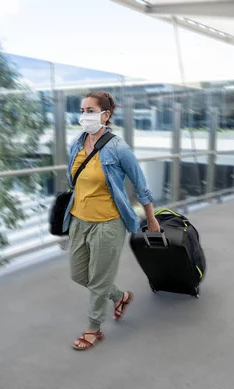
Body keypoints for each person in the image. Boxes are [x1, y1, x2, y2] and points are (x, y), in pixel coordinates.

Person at [62, 91, 160, 351]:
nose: (84, 115)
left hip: (108, 222)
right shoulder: (76, 143)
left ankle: (93, 328)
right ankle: (120, 297)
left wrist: (150, 219)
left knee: (99, 279)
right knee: (78, 274)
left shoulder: (118, 147)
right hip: (78, 220)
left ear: (106, 115)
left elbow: (141, 185)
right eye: (82, 110)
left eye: (91, 110)